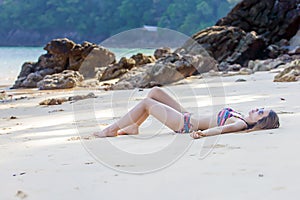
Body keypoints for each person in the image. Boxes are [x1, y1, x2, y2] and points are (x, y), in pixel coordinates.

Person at [93, 87, 280, 139]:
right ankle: (134, 126)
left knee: (146, 103)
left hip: (184, 124)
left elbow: (222, 130)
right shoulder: (241, 116)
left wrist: (202, 134)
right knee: (156, 92)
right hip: (188, 115)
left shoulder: (240, 123)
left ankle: (111, 130)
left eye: (260, 112)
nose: (257, 109)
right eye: (260, 108)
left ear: (260, 122)